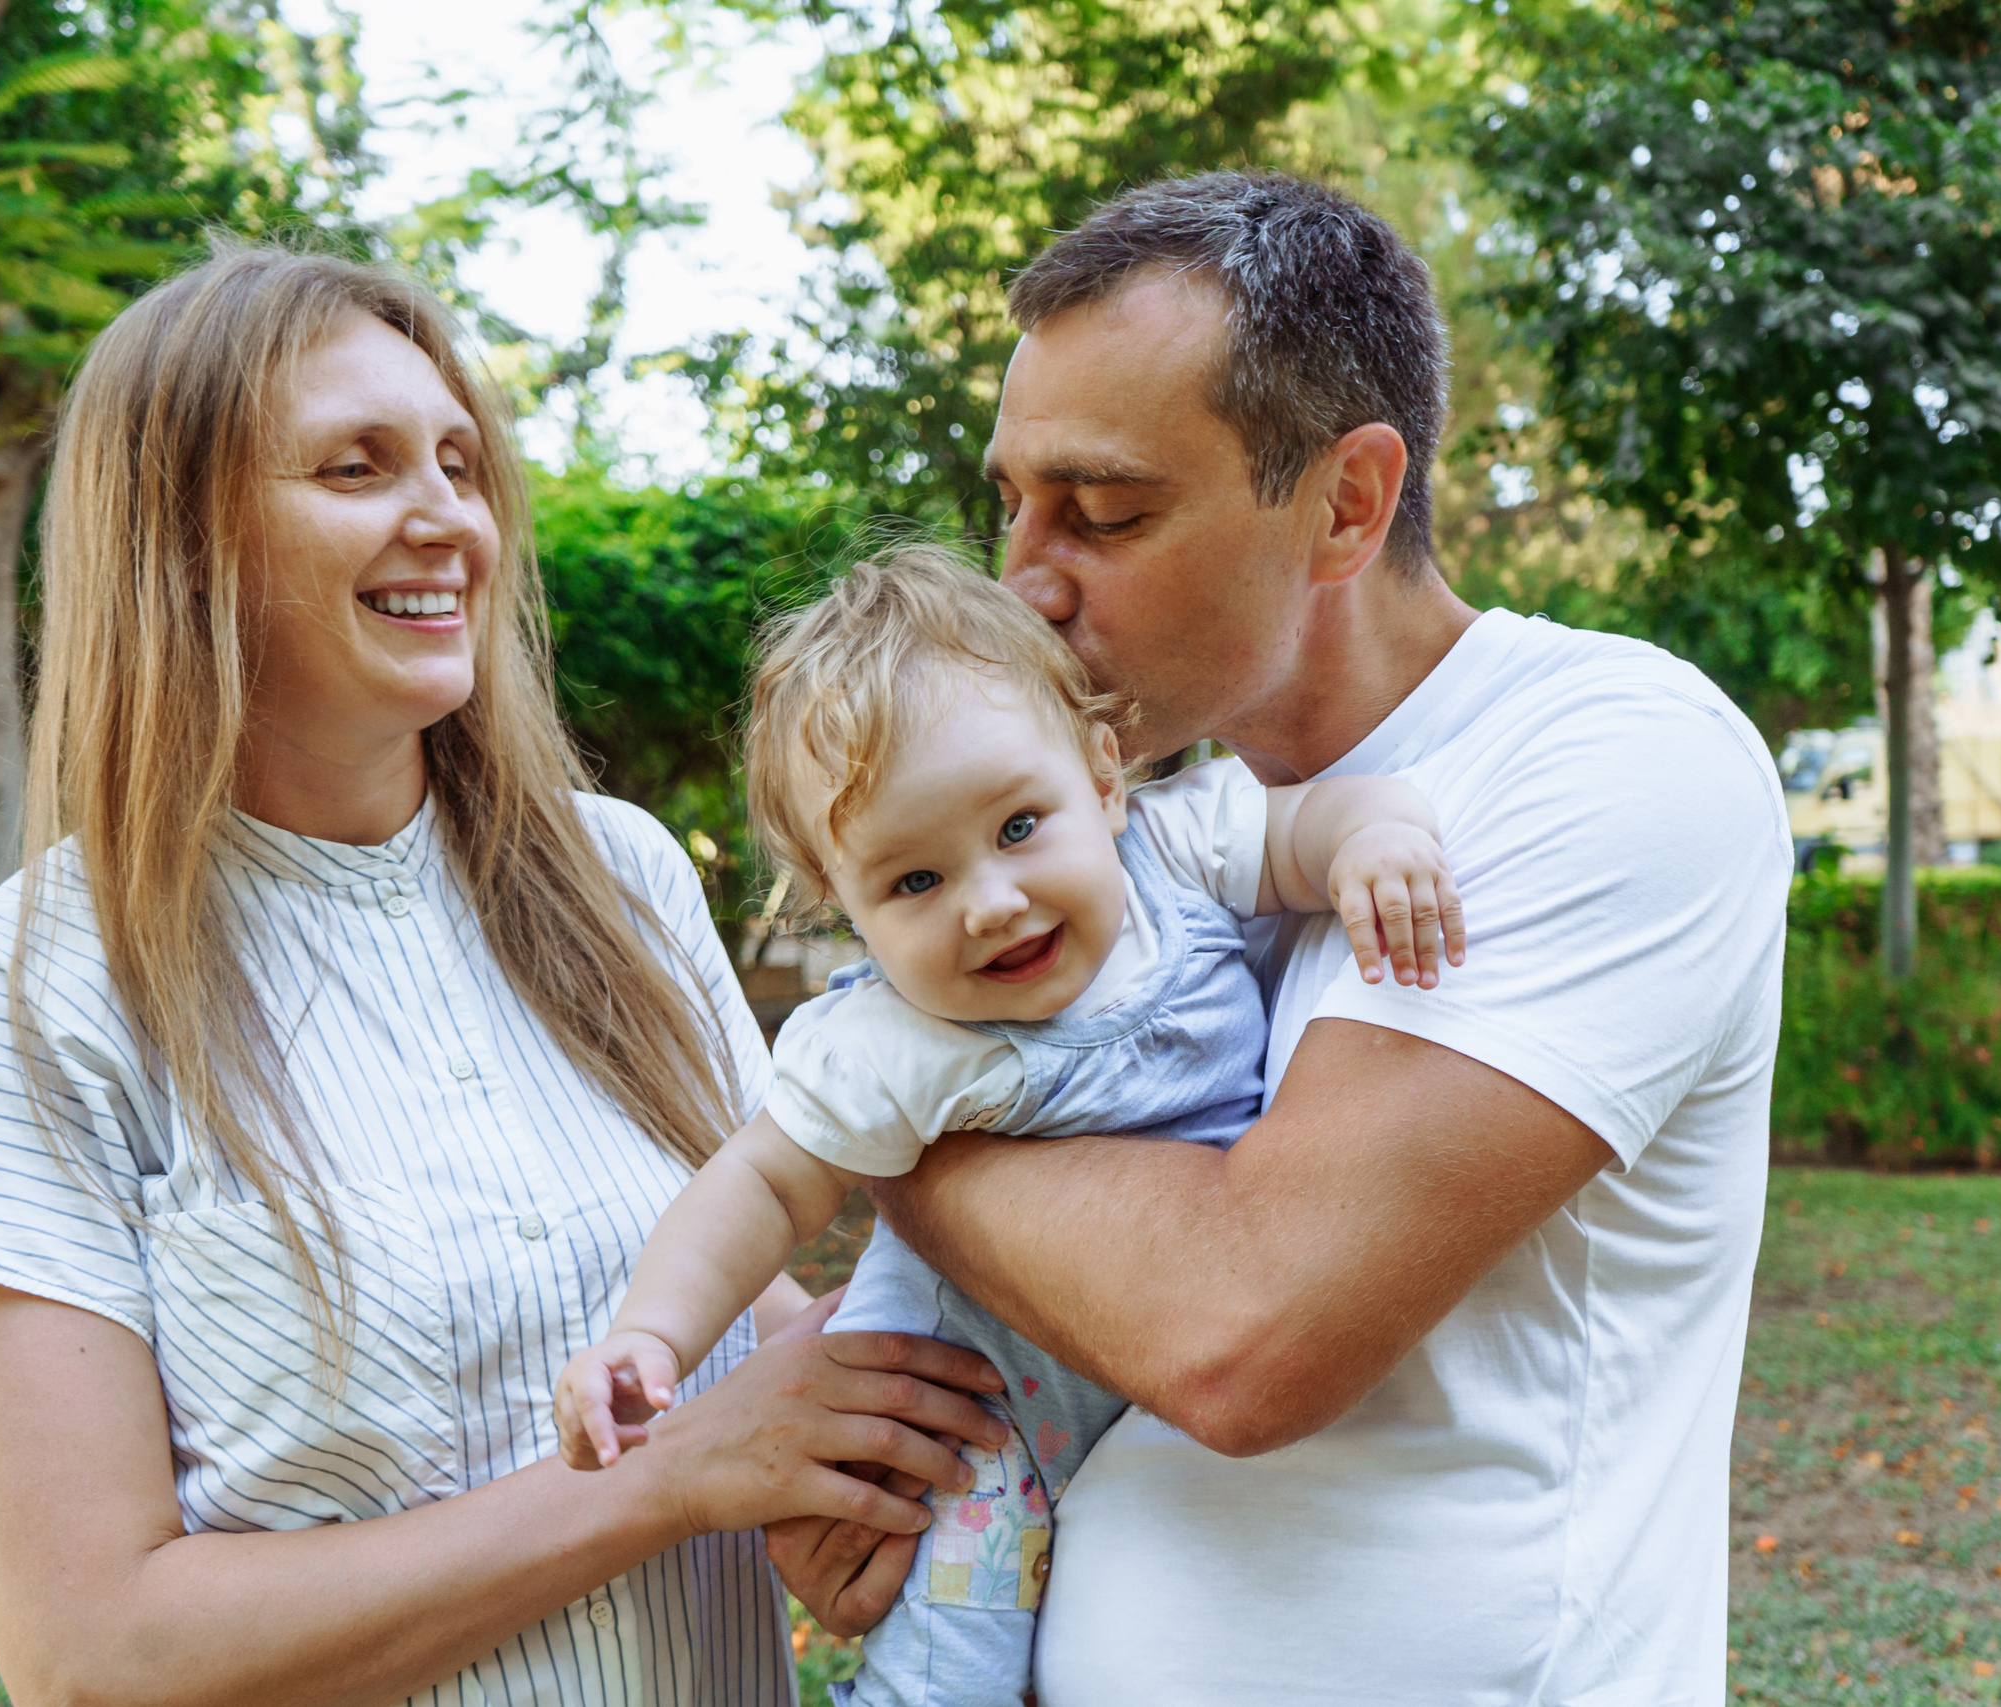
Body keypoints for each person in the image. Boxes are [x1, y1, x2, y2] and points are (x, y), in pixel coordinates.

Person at [0, 243, 1006, 1707]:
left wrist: (844, 1474)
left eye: (459, 463)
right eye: (358, 466)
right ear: (180, 540)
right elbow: (93, 1654)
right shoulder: (21, 1002)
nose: (449, 516)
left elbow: (732, 1316)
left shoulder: (623, 878)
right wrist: (662, 1483)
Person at [768, 173, 1793, 1704]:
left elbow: (1238, 1328)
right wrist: (882, 1452)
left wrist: (880, 1109)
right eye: (1013, 504)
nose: (1024, 581)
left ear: (1347, 503)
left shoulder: (1604, 755)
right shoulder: (1127, 840)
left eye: (1105, 510)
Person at [554, 547, 1464, 1707]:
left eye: (1020, 825)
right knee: (951, 1678)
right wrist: (651, 1333)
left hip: (1153, 1393)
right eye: (913, 883)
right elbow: (764, 1186)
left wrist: (1375, 841)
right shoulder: (890, 1043)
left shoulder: (1174, 853)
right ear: (843, 905)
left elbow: (1312, 827)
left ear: (1103, 778)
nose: (990, 902)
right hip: (970, 1432)